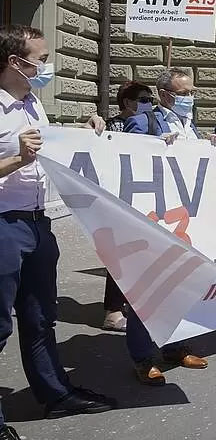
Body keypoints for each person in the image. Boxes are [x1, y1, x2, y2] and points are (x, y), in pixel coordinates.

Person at [0, 24, 116, 430]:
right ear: (16, 62)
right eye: (42, 58)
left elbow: (48, 149)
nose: (47, 66)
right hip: (2, 227)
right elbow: (22, 157)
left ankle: (56, 394)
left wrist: (83, 135)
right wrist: (16, 160)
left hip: (36, 224)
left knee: (40, 317)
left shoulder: (33, 103)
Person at [123, 68, 216, 385]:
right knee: (147, 288)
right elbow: (123, 158)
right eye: (184, 92)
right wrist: (152, 145)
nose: (190, 98)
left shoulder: (188, 125)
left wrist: (212, 146)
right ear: (165, 94)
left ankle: (174, 347)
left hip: (184, 218)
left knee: (179, 284)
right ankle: (142, 357)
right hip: (152, 219)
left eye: (192, 92)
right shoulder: (143, 122)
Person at [101, 81, 154, 332]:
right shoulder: (113, 126)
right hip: (120, 198)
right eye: (144, 99)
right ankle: (112, 311)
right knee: (119, 255)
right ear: (128, 103)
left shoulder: (151, 122)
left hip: (144, 195)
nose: (149, 104)